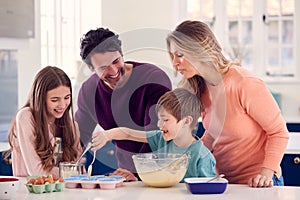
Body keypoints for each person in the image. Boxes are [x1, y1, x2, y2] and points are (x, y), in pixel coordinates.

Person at [166, 20, 289, 187]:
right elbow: (214, 134)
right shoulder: (200, 87)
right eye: (172, 56)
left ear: (200, 50)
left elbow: (279, 133)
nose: (174, 63)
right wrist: (186, 156)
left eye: (179, 55)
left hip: (259, 184)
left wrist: (266, 174)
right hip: (225, 183)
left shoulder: (244, 82)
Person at [76, 27, 172, 180]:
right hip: (125, 175)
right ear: (90, 68)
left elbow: (157, 137)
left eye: (116, 61)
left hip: (160, 173)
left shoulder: (154, 79)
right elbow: (79, 138)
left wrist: (139, 174)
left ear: (122, 54)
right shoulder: (89, 91)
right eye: (103, 67)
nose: (114, 71)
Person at [91, 88, 216, 181]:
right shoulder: (161, 139)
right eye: (159, 119)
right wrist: (107, 135)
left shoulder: (202, 157)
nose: (159, 125)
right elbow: (128, 134)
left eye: (165, 120)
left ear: (186, 121)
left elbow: (207, 193)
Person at [4, 66, 83, 177]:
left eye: (67, 97)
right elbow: (37, 173)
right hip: (30, 192)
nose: (62, 105)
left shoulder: (71, 126)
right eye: (54, 100)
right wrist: (68, 172)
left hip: (62, 191)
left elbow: (78, 171)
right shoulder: (25, 117)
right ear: (40, 98)